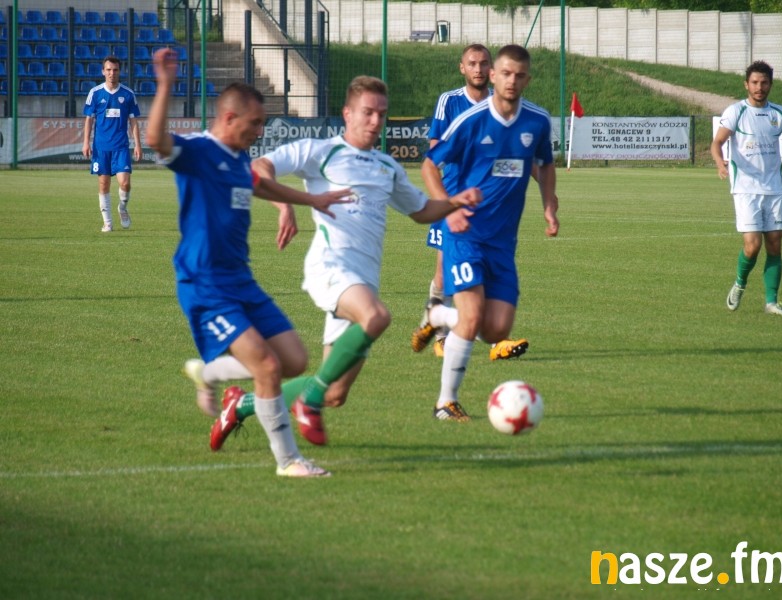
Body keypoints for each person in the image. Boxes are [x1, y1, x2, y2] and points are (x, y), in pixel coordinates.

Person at [205, 74, 482, 450]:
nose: (376, 121)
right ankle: (308, 404)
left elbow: (420, 211)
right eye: (368, 112)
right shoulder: (321, 151)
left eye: (382, 114)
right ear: (347, 113)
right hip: (330, 268)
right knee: (377, 317)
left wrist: (454, 202)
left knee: (335, 392)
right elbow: (260, 169)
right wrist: (285, 205)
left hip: (362, 282)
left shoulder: (387, 167)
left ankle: (241, 405)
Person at [145, 47, 349, 477]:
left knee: (293, 360)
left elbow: (259, 186)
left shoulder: (239, 158)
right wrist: (164, 85)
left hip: (241, 279)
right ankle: (288, 461)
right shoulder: (198, 151)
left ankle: (209, 372)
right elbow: (155, 141)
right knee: (267, 367)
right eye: (255, 123)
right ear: (229, 118)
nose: (260, 130)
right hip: (205, 283)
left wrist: (305, 201)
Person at [411, 44, 559, 421]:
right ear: (494, 75)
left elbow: (545, 163)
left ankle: (437, 315)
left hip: (502, 242)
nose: (512, 81)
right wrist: (448, 209)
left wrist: (549, 205)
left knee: (495, 330)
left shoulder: (537, 121)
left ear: (527, 79)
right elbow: (429, 165)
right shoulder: (471, 120)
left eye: (519, 75)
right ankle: (446, 402)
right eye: (505, 73)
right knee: (472, 315)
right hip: (465, 233)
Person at [413, 43, 531, 361]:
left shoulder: (504, 105)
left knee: (487, 272)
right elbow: (436, 147)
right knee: (444, 272)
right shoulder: (450, 101)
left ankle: (496, 341)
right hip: (453, 197)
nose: (478, 69)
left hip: (491, 203)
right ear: (462, 68)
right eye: (472, 63)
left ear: (491, 69)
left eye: (483, 63)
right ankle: (438, 329)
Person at [710, 60, 782, 316]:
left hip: (774, 189)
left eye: (764, 83)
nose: (759, 87)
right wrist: (719, 162)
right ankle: (740, 283)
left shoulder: (779, 113)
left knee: (775, 245)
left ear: (771, 84)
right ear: (746, 85)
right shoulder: (736, 112)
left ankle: (772, 302)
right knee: (752, 246)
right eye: (755, 82)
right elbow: (717, 143)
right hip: (746, 189)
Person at [82, 55, 142, 232]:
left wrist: (138, 144)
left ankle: (122, 208)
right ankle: (107, 222)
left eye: (115, 70)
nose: (111, 73)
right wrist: (86, 142)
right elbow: (89, 120)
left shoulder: (128, 94)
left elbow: (133, 121)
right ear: (103, 71)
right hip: (101, 147)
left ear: (119, 71)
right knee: (104, 184)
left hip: (121, 147)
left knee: (125, 183)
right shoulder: (95, 93)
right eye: (108, 70)